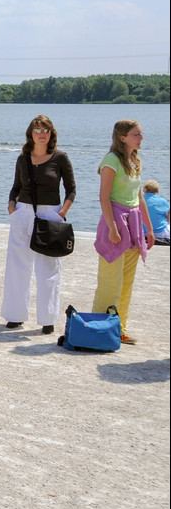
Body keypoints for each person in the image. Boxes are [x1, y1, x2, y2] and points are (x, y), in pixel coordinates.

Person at [0, 115, 76, 333]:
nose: (41, 134)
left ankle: (48, 320)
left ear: (51, 133)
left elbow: (71, 189)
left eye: (46, 130)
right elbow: (15, 187)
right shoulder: (22, 158)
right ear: (30, 133)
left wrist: (61, 213)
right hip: (22, 213)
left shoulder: (60, 158)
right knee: (17, 266)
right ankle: (15, 316)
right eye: (37, 130)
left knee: (49, 269)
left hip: (50, 215)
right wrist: (11, 206)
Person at [92, 120, 154, 345]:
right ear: (122, 137)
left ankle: (119, 328)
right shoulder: (111, 161)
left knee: (126, 282)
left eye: (141, 133)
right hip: (116, 223)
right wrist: (112, 227)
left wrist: (149, 228)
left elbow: (139, 198)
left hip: (134, 224)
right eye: (136, 134)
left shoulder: (134, 161)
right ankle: (99, 329)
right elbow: (104, 196)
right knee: (110, 281)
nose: (141, 138)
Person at [143, 181, 170, 245]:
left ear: (145, 189)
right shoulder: (162, 201)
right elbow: (168, 215)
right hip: (160, 233)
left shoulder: (138, 200)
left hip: (143, 232)